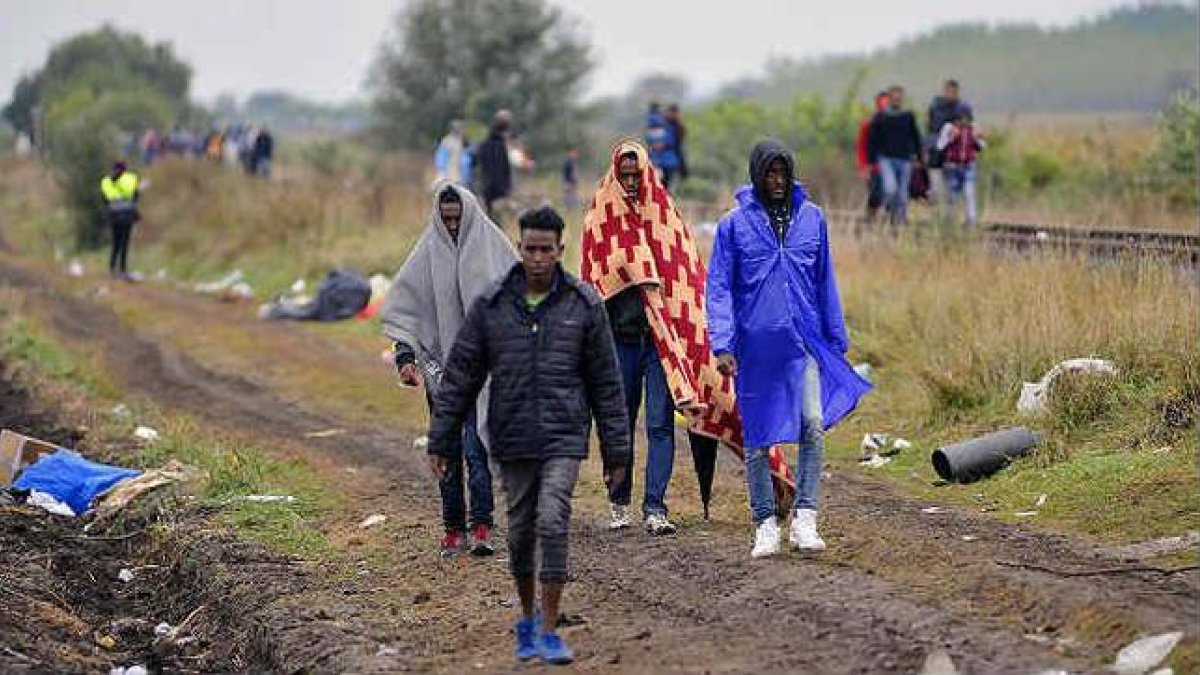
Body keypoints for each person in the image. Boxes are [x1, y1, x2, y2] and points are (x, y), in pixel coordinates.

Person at [429, 206, 631, 665]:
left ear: (561, 250)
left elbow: (606, 383)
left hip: (564, 435)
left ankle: (550, 628)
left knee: (553, 519)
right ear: (519, 248)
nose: (538, 258)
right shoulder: (492, 305)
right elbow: (461, 375)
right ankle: (526, 617)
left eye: (547, 250)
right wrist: (441, 438)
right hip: (512, 434)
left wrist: (616, 452)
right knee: (521, 532)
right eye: (531, 249)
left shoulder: (584, 305)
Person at [706, 140, 871, 559]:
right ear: (757, 175)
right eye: (769, 174)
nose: (777, 181)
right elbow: (719, 287)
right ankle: (765, 523)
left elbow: (824, 279)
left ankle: (805, 518)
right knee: (758, 434)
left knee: (812, 424)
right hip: (756, 347)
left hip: (805, 341)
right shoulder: (733, 226)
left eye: (782, 173)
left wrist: (835, 337)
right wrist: (722, 343)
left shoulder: (812, 219)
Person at [582, 140, 754, 533]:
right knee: (619, 424)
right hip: (618, 342)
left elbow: (687, 276)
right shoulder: (599, 217)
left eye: (635, 175)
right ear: (615, 175)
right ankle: (619, 502)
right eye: (624, 176)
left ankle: (655, 508)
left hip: (660, 344)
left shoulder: (665, 217)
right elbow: (591, 282)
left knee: (660, 424)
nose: (630, 182)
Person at [381, 183, 517, 557]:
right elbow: (408, 309)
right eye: (446, 220)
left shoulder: (492, 247)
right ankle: (453, 528)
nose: (453, 226)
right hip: (442, 373)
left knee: (477, 448)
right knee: (448, 449)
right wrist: (406, 358)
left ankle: (482, 525)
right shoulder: (427, 251)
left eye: (458, 219)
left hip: (483, 370)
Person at [867, 85, 923, 225]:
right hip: (886, 158)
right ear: (889, 99)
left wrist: (919, 156)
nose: (897, 100)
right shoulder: (880, 117)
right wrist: (871, 161)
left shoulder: (908, 116)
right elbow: (872, 139)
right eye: (894, 98)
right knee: (890, 189)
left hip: (905, 159)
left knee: (903, 194)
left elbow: (915, 137)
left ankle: (899, 221)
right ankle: (889, 212)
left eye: (899, 98)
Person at [926, 79, 974, 215]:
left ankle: (949, 218)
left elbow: (969, 130)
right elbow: (929, 129)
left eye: (953, 92)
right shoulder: (935, 106)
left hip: (953, 157)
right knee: (937, 189)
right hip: (935, 155)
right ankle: (940, 215)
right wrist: (926, 149)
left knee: (950, 192)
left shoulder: (963, 108)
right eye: (948, 91)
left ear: (957, 92)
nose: (950, 94)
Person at [936, 111, 986, 225]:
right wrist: (950, 137)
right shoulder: (949, 128)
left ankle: (971, 220)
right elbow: (940, 146)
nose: (964, 122)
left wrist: (978, 138)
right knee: (952, 196)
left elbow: (982, 146)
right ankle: (950, 220)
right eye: (961, 119)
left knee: (969, 193)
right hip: (953, 167)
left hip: (968, 166)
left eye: (966, 119)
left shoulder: (973, 129)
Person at [99, 160, 141, 280]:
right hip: (127, 215)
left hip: (114, 215)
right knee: (124, 243)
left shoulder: (107, 181)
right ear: (125, 170)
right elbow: (136, 196)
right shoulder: (131, 180)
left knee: (116, 243)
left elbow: (105, 199)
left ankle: (112, 269)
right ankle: (123, 269)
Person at [855, 91, 890, 225]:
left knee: (890, 195)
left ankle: (889, 223)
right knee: (875, 195)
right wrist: (863, 167)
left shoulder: (896, 124)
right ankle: (869, 222)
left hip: (890, 166)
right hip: (873, 167)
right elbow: (861, 146)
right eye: (883, 102)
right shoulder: (868, 124)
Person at [477, 110, 514, 221]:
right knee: (498, 220)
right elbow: (505, 168)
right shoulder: (502, 145)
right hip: (499, 189)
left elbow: (480, 165)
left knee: (489, 218)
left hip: (487, 187)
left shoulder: (484, 144)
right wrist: (507, 188)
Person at [645, 103, 681, 190]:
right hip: (667, 161)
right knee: (665, 188)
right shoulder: (665, 125)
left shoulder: (652, 126)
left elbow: (652, 145)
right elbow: (667, 143)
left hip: (657, 161)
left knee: (657, 188)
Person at [434, 120, 471, 184]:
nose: (464, 131)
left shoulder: (463, 141)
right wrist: (441, 173)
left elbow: (466, 159)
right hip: (450, 175)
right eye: (461, 129)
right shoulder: (447, 142)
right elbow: (441, 158)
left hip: (461, 177)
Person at [664, 104, 688, 183]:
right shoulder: (663, 124)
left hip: (672, 158)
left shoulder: (678, 126)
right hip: (664, 158)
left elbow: (679, 145)